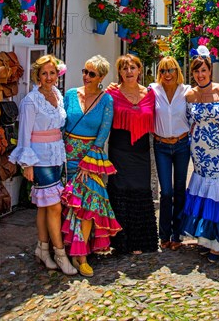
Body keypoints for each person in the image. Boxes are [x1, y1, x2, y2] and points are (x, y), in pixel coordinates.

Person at [9, 55, 77, 275]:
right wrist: (26, 164)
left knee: (45, 206)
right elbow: (24, 133)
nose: (49, 77)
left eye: (52, 73)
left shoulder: (57, 94)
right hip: (39, 158)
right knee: (55, 205)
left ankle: (42, 248)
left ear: (58, 75)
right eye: (44, 73)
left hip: (56, 155)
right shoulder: (31, 100)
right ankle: (60, 253)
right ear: (38, 76)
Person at [61, 55, 121, 277]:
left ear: (101, 77)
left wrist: (88, 163)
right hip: (67, 157)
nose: (86, 77)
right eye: (85, 72)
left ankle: (81, 255)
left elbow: (103, 133)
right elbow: (61, 125)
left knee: (90, 203)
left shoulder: (106, 100)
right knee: (69, 205)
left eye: (92, 74)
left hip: (90, 159)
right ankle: (66, 250)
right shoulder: (69, 95)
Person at [179, 46, 219, 262]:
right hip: (199, 150)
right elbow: (186, 120)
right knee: (203, 189)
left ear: (209, 70)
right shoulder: (189, 94)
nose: (200, 74)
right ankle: (204, 236)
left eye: (203, 70)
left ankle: (217, 241)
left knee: (217, 188)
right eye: (196, 71)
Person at [107, 54, 158, 254]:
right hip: (119, 150)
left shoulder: (150, 94)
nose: (129, 72)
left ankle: (140, 242)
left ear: (139, 70)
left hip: (141, 152)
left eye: (133, 68)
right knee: (120, 191)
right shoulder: (111, 94)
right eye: (124, 68)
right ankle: (121, 243)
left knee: (140, 191)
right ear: (119, 72)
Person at [150, 56, 190, 250]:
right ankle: (163, 234)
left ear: (177, 71)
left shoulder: (186, 91)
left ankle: (177, 234)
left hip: (182, 144)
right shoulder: (153, 90)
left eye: (171, 69)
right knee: (166, 192)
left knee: (180, 189)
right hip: (161, 146)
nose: (167, 74)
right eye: (163, 71)